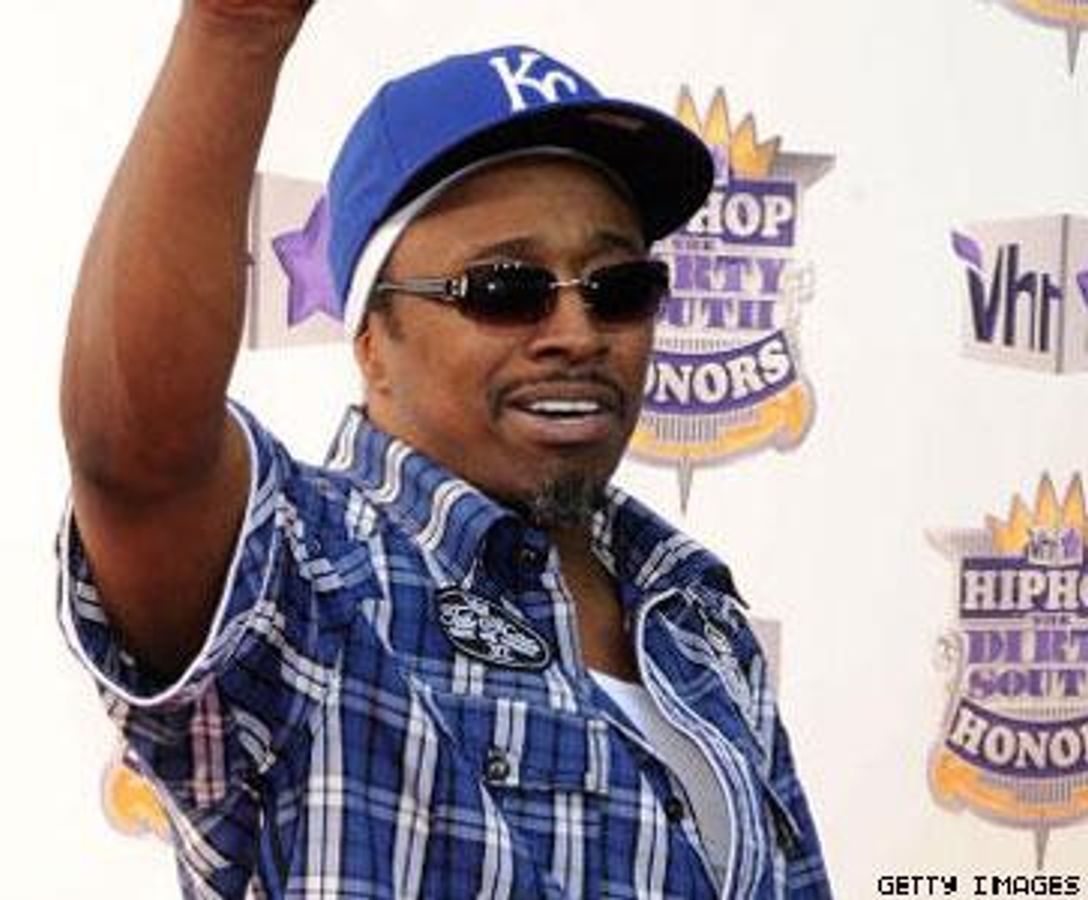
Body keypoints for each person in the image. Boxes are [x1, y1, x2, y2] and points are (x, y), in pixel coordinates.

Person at [58, 2, 832, 898]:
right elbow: (138, 459)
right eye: (505, 289)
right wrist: (234, 32)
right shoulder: (316, 580)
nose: (578, 333)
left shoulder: (698, 619)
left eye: (618, 287)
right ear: (371, 342)